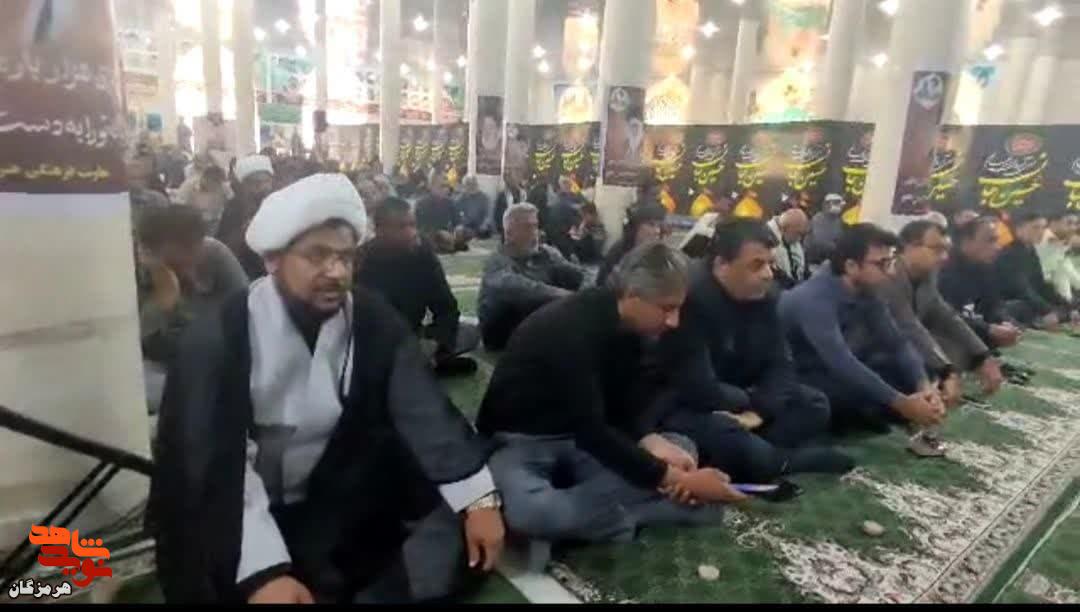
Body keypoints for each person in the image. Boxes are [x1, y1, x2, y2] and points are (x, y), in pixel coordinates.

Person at [150, 174, 505, 604]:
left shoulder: (369, 318)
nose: (336, 272)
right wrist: (262, 572)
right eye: (317, 255)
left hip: (333, 498)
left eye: (345, 257)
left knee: (448, 531)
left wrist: (479, 500)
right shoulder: (220, 337)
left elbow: (422, 409)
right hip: (233, 514)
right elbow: (212, 466)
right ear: (274, 260)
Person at [477, 243, 746, 545]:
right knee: (532, 512)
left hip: (583, 441)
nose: (674, 321)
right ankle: (642, 513)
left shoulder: (630, 328)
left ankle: (598, 516)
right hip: (521, 441)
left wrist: (649, 440)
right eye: (667, 308)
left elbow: (622, 406)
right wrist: (677, 480)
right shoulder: (568, 329)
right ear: (631, 295)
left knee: (680, 447)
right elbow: (591, 431)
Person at [657, 220, 854, 481]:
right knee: (723, 430)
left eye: (770, 264)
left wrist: (759, 411)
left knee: (814, 403)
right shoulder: (689, 300)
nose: (768, 274)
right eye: (756, 265)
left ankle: (756, 454)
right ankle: (774, 460)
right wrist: (749, 401)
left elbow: (782, 363)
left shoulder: (764, 296)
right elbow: (698, 387)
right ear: (721, 265)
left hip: (744, 398)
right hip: (694, 404)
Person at [778, 224, 946, 451]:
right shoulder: (814, 298)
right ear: (851, 266)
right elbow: (840, 362)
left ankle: (877, 414)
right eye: (881, 264)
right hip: (797, 374)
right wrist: (901, 403)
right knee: (849, 392)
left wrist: (924, 386)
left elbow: (897, 343)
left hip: (828, 369)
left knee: (916, 371)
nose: (890, 272)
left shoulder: (868, 292)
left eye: (890, 262)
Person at [880, 221, 1004, 407]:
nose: (944, 257)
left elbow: (945, 315)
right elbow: (909, 326)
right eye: (937, 249)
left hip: (908, 344)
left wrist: (982, 355)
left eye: (946, 250)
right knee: (925, 362)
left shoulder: (928, 274)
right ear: (910, 247)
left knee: (956, 349)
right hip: (876, 350)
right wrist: (946, 370)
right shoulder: (888, 275)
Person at [136, 205, 248, 412]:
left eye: (193, 245)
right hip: (165, 366)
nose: (191, 255)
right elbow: (150, 346)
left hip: (219, 354)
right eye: (182, 249)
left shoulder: (215, 254)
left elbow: (244, 309)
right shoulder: (139, 272)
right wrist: (166, 300)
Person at [356, 197, 479, 377]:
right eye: (402, 227)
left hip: (415, 336)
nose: (412, 232)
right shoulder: (361, 262)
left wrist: (434, 341)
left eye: (412, 225)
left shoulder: (423, 254)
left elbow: (447, 308)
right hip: (377, 343)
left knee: (471, 333)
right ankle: (423, 366)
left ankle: (418, 365)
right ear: (380, 230)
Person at [478, 203, 586, 350]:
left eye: (535, 226)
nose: (535, 233)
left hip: (539, 322)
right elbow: (523, 289)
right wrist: (569, 297)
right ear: (509, 233)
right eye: (527, 227)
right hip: (506, 333)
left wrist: (591, 294)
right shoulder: (497, 262)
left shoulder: (546, 253)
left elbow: (581, 275)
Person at [938, 215, 1024, 351]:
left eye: (996, 240)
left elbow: (994, 305)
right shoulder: (942, 272)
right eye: (990, 240)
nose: (997, 247)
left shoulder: (985, 268)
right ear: (966, 242)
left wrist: (1004, 323)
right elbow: (946, 319)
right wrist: (988, 329)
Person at [995, 209, 1078, 329]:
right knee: (1025, 307)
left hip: (1029, 301)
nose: (1040, 232)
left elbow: (1040, 284)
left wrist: (1069, 306)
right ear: (1019, 229)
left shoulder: (1031, 251)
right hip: (1011, 306)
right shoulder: (1009, 254)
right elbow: (1022, 290)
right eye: (1035, 227)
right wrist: (1047, 311)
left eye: (1043, 227)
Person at [216, 154, 276, 279]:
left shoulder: (278, 202)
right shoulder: (234, 207)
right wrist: (245, 229)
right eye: (256, 183)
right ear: (244, 185)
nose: (263, 187)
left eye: (266, 181)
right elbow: (224, 245)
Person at [596, 202, 667, 287]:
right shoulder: (619, 251)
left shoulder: (658, 253)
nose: (657, 231)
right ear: (636, 226)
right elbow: (602, 283)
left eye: (659, 226)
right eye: (651, 224)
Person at [416, 173, 471, 254]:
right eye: (441, 186)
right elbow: (418, 229)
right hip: (431, 240)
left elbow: (458, 221)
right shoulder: (421, 204)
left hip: (449, 238)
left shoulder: (450, 203)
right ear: (431, 186)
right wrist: (437, 234)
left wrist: (459, 228)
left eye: (446, 186)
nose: (445, 189)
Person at [1037, 209, 1080, 303]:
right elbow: (1055, 242)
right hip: (1040, 280)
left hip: (1054, 277)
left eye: (1076, 224)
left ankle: (1069, 302)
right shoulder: (1045, 234)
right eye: (1069, 223)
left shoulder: (1061, 239)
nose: (1073, 228)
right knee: (1062, 267)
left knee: (1063, 266)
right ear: (1054, 224)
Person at [767, 208, 810, 289]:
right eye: (798, 233)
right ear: (784, 229)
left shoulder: (793, 241)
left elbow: (805, 269)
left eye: (802, 234)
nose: (800, 238)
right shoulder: (766, 240)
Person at [545, 176, 586, 259]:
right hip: (561, 234)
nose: (568, 186)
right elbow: (578, 209)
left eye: (568, 184)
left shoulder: (557, 198)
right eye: (566, 184)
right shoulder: (565, 199)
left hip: (554, 233)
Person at [804, 193, 846, 266]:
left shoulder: (839, 221)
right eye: (836, 203)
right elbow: (820, 242)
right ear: (825, 205)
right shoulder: (818, 219)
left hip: (830, 262)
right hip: (814, 262)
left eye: (839, 203)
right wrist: (838, 248)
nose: (839, 206)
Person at [493, 171, 528, 240]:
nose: (510, 181)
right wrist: (501, 228)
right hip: (506, 228)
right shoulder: (501, 195)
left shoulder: (523, 194)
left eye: (511, 179)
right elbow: (497, 213)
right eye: (507, 180)